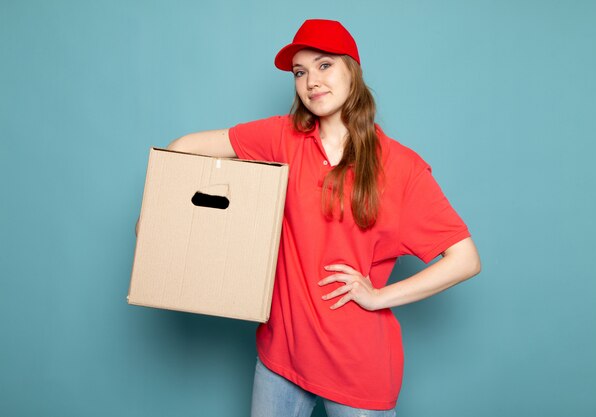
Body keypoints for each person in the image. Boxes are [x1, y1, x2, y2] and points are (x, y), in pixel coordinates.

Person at [163, 19, 481, 417]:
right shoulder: (282, 137)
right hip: (280, 358)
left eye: (324, 65)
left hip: (356, 369)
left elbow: (465, 258)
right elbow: (183, 148)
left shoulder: (402, 167)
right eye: (300, 72)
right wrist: (159, 218)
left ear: (353, 70)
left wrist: (379, 296)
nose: (311, 81)